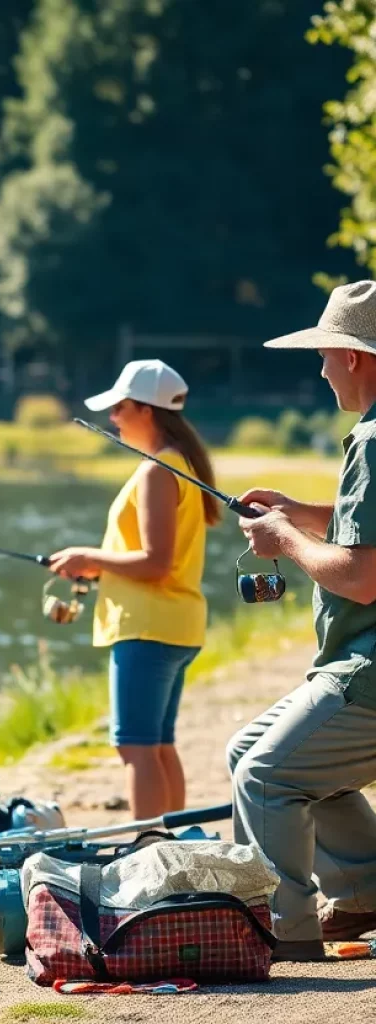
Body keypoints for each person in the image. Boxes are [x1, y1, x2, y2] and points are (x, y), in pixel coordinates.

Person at [231, 279, 376, 961]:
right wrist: (296, 511)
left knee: (266, 776)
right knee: (246, 753)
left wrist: (283, 540)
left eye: (325, 354)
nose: (320, 368)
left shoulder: (374, 439)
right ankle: (360, 895)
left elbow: (362, 576)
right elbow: (361, 534)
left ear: (354, 356)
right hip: (357, 667)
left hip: (366, 673)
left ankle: (283, 936)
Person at [49, 359, 220, 819]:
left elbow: (157, 562)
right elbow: (157, 559)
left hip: (147, 629)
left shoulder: (156, 471)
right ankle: (176, 843)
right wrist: (99, 569)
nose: (113, 418)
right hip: (174, 625)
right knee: (160, 745)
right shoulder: (178, 464)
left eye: (120, 408)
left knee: (137, 750)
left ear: (146, 410)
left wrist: (91, 558)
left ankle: (148, 846)